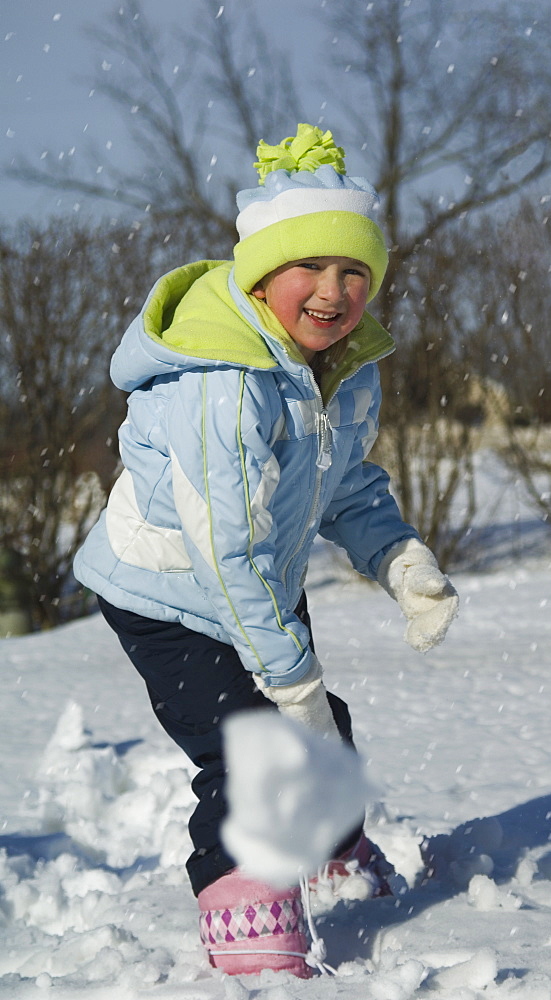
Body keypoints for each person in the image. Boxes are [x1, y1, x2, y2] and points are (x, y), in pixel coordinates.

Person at [74, 123, 459, 979]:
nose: (333, 291)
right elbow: (225, 543)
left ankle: (324, 849)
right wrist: (288, 682)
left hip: (255, 578)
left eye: (354, 271)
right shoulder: (222, 379)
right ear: (259, 275)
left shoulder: (343, 366)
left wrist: (400, 560)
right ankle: (246, 914)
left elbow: (344, 484)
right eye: (309, 269)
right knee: (251, 740)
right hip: (165, 588)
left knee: (324, 729)